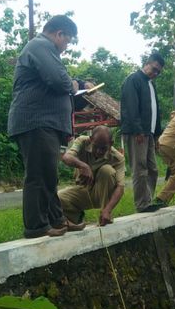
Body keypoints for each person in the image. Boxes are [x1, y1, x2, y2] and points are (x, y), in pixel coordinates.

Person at [7, 15, 86, 238]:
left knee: (49, 175)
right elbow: (59, 80)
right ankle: (36, 227)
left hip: (45, 123)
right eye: (67, 40)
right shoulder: (40, 45)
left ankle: (57, 220)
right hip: (35, 121)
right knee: (38, 175)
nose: (66, 46)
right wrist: (73, 84)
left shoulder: (42, 48)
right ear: (59, 34)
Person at [120, 52, 165, 213]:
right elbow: (131, 107)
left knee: (153, 169)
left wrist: (157, 133)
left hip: (149, 133)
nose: (155, 73)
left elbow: (155, 110)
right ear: (147, 64)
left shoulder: (150, 84)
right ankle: (142, 204)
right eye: (154, 69)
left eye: (158, 72)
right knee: (140, 168)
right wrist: (138, 130)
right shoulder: (133, 80)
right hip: (136, 132)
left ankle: (148, 200)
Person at [58, 126, 125, 227]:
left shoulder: (118, 158)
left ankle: (105, 215)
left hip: (102, 194)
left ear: (111, 143)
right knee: (58, 198)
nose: (99, 151)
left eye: (103, 148)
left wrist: (108, 209)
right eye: (96, 146)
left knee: (106, 170)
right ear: (91, 140)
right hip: (83, 189)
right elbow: (66, 157)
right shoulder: (81, 141)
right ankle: (76, 220)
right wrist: (83, 166)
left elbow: (120, 187)